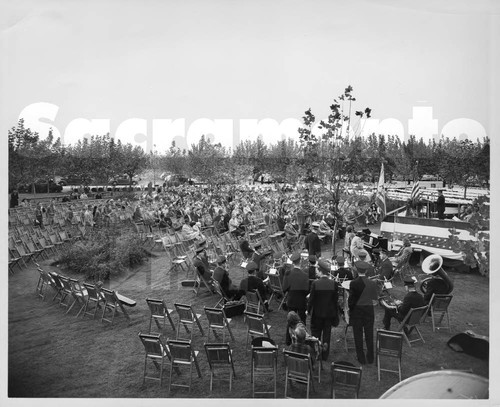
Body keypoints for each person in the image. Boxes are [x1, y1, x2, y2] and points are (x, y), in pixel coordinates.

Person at [307, 259, 339, 361]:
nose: (316, 271)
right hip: (329, 314)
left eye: (317, 269)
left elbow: (311, 300)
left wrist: (308, 310)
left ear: (321, 271)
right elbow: (335, 300)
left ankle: (316, 353)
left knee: (316, 335)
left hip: (317, 314)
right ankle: (325, 355)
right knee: (327, 335)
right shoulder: (334, 284)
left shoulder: (315, 284)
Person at [348, 262, 379, 365]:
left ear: (357, 270)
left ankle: (361, 357)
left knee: (358, 335)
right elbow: (375, 298)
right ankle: (370, 357)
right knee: (369, 334)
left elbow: (351, 301)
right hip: (369, 311)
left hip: (357, 312)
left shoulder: (353, 283)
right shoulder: (372, 283)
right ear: (366, 271)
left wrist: (351, 310)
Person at [283, 252, 310, 324]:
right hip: (301, 301)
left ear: (292, 262)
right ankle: (302, 335)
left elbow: (284, 288)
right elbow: (306, 290)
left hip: (291, 300)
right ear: (300, 261)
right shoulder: (304, 275)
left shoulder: (288, 273)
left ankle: (289, 335)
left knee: (290, 322)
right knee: (302, 322)